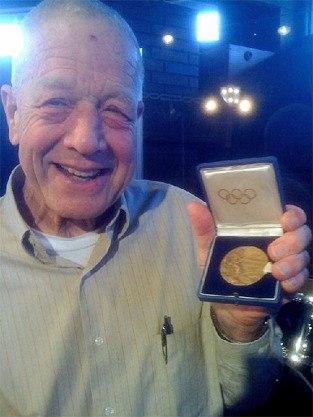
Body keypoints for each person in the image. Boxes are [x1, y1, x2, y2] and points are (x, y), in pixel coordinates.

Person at [0, 1, 311, 416]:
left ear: (138, 119)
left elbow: (241, 396)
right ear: (14, 113)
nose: (87, 139)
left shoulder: (188, 222)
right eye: (56, 102)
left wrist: (240, 326)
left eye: (115, 110)